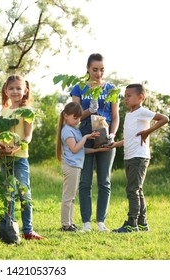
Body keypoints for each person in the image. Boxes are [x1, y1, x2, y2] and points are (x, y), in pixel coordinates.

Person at [70, 53, 119, 232]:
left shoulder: (111, 89)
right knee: (85, 181)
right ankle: (86, 223)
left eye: (102, 70)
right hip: (85, 135)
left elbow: (115, 116)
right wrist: (89, 111)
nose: (99, 73)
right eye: (95, 69)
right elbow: (74, 118)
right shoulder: (79, 88)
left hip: (105, 135)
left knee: (104, 181)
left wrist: (112, 134)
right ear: (88, 69)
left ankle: (100, 222)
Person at [110, 84, 169, 233]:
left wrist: (148, 131)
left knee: (132, 190)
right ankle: (142, 223)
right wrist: (117, 144)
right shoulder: (130, 115)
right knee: (137, 190)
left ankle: (132, 223)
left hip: (139, 157)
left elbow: (164, 118)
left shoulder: (142, 112)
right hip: (130, 157)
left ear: (140, 97)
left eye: (129, 96)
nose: (126, 99)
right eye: (125, 96)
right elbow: (132, 137)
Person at [0, 75, 45, 240]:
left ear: (25, 90)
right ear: (6, 90)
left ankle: (28, 230)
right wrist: (0, 146)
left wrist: (18, 146)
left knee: (24, 193)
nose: (15, 91)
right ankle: (10, 226)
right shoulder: (3, 111)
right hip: (5, 158)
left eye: (19, 88)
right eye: (11, 88)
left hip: (20, 158)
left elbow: (28, 136)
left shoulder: (27, 111)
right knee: (8, 193)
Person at [56, 102, 111, 232]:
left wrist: (98, 151)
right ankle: (65, 224)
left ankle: (70, 223)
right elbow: (75, 149)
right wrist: (86, 137)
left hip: (76, 166)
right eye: (75, 118)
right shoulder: (67, 131)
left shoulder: (74, 129)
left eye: (79, 118)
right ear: (66, 116)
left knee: (72, 197)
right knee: (68, 197)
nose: (77, 121)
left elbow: (81, 150)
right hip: (71, 166)